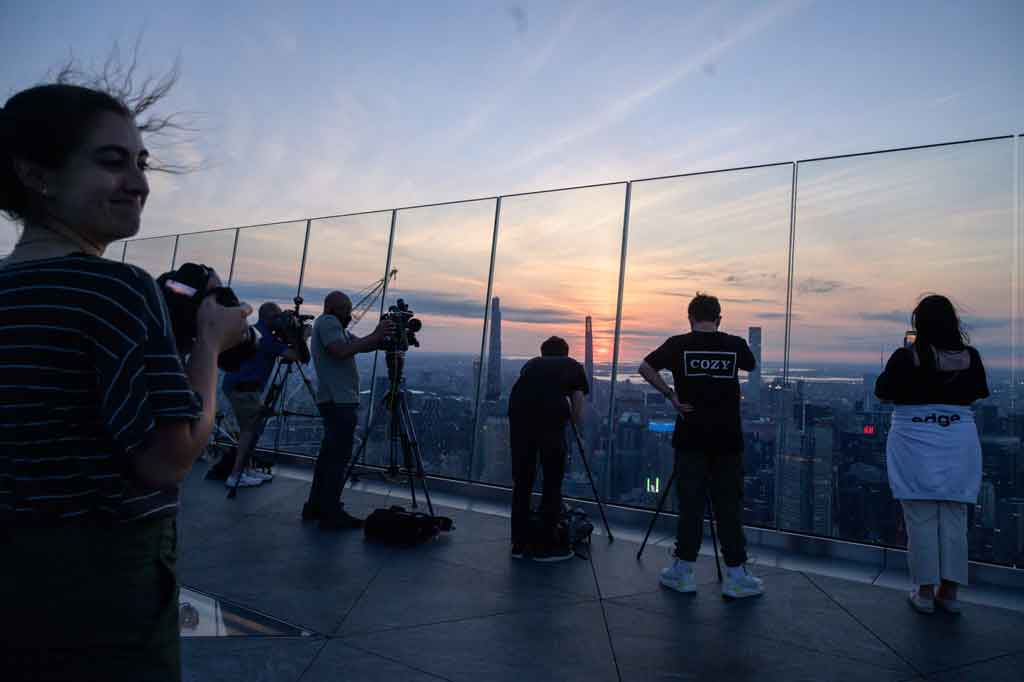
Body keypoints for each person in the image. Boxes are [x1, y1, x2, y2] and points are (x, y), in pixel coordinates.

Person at [0, 83, 250, 679]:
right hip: (100, 579)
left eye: (141, 163)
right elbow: (168, 459)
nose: (138, 182)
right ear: (38, 174)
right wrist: (210, 344)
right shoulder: (116, 287)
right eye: (111, 162)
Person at [638, 292, 763, 598]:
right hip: (728, 438)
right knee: (729, 505)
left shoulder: (678, 344)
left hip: (691, 435)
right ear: (719, 318)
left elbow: (645, 367)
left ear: (690, 317)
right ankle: (736, 574)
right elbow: (752, 366)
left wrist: (671, 396)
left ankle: (683, 571)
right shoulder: (735, 344)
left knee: (690, 504)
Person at [875, 294, 989, 615]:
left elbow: (882, 391)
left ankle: (924, 592)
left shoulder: (905, 357)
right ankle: (949, 592)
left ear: (918, 325)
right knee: (954, 513)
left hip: (914, 438)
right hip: (958, 437)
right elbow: (979, 392)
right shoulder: (971, 357)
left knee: (920, 514)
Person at [303, 291, 393, 529]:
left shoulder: (333, 327)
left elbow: (357, 345)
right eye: (346, 309)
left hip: (335, 401)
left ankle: (316, 505)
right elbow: (341, 351)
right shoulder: (328, 322)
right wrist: (375, 335)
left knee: (329, 457)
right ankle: (330, 511)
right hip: (338, 401)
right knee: (338, 459)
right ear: (332, 308)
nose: (349, 314)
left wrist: (380, 337)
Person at [508, 336, 590, 562]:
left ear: (542, 352)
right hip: (550, 423)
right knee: (552, 481)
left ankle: (519, 543)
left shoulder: (531, 364)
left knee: (522, 482)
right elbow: (578, 403)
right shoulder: (572, 365)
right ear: (566, 352)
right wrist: (576, 429)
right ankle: (546, 545)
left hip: (519, 418)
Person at [218, 301, 302, 488]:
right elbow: (296, 356)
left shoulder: (255, 331)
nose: (280, 321)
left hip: (239, 386)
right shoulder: (266, 339)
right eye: (278, 317)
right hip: (244, 389)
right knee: (250, 431)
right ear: (269, 318)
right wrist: (299, 337)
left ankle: (245, 470)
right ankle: (236, 475)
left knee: (251, 429)